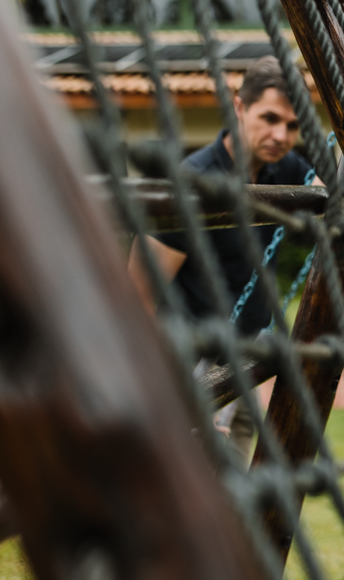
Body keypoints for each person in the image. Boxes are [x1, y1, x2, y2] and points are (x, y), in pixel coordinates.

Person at [127, 56, 321, 452]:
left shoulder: (283, 169)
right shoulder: (193, 184)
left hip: (248, 365)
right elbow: (136, 300)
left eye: (293, 125)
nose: (282, 135)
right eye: (269, 118)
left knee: (240, 503)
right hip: (191, 371)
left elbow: (337, 201)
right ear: (239, 107)